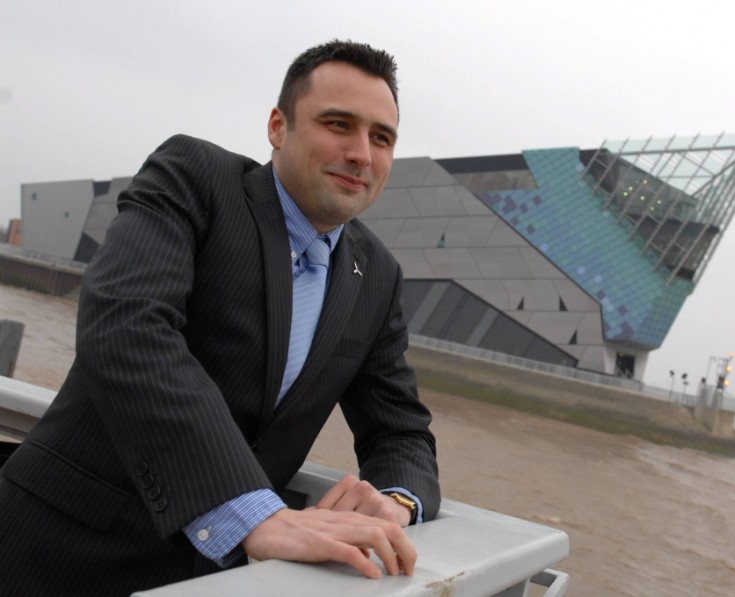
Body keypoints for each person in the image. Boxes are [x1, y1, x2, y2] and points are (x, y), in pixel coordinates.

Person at [0, 40, 440, 596]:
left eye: (382, 138)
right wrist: (253, 513)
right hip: (57, 555)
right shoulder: (195, 176)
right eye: (338, 124)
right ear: (278, 127)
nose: (361, 154)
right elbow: (127, 327)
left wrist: (396, 501)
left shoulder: (377, 274)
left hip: (214, 583)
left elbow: (400, 429)